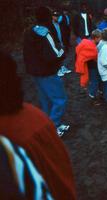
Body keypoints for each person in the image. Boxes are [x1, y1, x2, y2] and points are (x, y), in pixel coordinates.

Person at [0, 51, 76, 199]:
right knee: (57, 99)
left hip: (39, 73)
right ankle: (56, 123)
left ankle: (56, 123)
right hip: (44, 73)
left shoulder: (30, 124)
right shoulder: (30, 127)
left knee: (48, 100)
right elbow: (59, 180)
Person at [23, 6, 70, 136]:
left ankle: (48, 126)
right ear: (47, 16)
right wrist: (63, 51)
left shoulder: (29, 31)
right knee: (60, 99)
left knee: (46, 100)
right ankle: (54, 127)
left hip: (34, 72)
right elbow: (54, 54)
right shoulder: (45, 32)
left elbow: (26, 54)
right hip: (47, 72)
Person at [75, 29, 102, 100]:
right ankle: (92, 95)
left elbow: (78, 50)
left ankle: (95, 91)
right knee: (94, 81)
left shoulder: (85, 42)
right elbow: (96, 57)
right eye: (100, 38)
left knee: (93, 80)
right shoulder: (92, 48)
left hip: (88, 65)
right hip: (92, 66)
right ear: (96, 38)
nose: (101, 40)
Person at [49, 10, 72, 77]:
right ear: (52, 17)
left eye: (57, 16)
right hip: (55, 43)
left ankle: (63, 68)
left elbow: (63, 33)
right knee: (57, 56)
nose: (56, 17)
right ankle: (58, 69)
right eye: (55, 16)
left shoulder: (60, 24)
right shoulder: (50, 25)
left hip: (61, 42)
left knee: (62, 55)